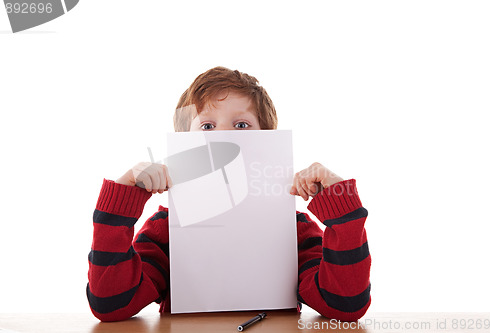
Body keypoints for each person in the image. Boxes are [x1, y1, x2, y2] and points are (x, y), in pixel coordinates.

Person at [87, 66, 371, 322]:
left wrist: (340, 203)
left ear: (267, 139)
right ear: (184, 146)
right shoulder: (165, 230)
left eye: (241, 125)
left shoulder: (294, 229)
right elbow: (111, 304)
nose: (224, 137)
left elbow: (345, 305)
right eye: (207, 126)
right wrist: (123, 195)